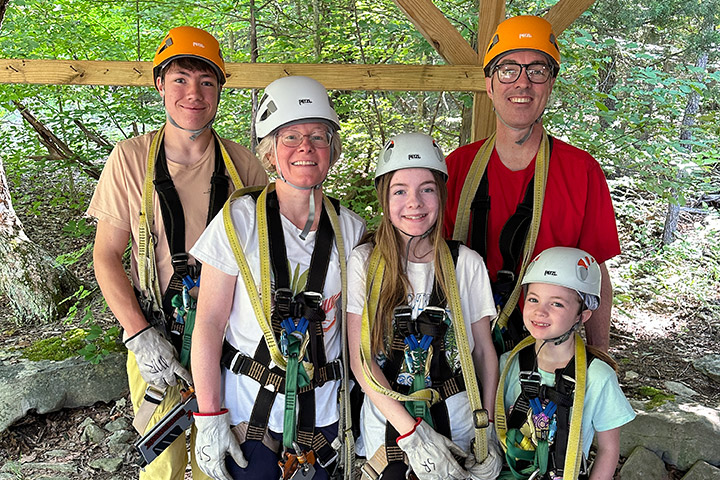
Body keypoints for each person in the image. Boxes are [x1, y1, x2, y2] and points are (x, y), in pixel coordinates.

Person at [87, 26, 267, 479]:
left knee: (219, 460)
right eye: (181, 79)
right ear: (160, 85)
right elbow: (106, 255)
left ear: (221, 89)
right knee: (163, 465)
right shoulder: (131, 159)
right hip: (156, 333)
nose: (194, 93)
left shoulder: (242, 166)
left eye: (207, 82)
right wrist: (138, 334)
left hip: (226, 342)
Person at [189, 75, 366, 480]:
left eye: (319, 136)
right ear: (270, 153)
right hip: (248, 415)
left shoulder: (350, 230)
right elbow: (210, 322)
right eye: (290, 137)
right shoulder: (238, 221)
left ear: (332, 150)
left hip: (324, 422)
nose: (306, 147)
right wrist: (209, 415)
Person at [443, 15, 620, 354]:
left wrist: (600, 358)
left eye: (537, 70)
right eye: (508, 69)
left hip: (547, 357)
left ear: (550, 84)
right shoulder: (457, 168)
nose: (522, 83)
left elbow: (596, 273)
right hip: (465, 350)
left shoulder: (581, 171)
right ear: (490, 83)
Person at [347, 133, 503, 480]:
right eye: (399, 190)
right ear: (384, 199)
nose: (414, 202)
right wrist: (413, 435)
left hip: (460, 428)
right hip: (390, 435)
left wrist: (487, 428)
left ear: (441, 195)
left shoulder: (466, 264)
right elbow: (362, 358)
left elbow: (483, 351)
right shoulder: (366, 262)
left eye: (427, 189)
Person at [495, 247, 635, 480]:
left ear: (582, 315)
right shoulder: (510, 363)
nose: (540, 311)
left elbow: (609, 449)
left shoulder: (597, 376)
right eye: (533, 299)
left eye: (557, 304)